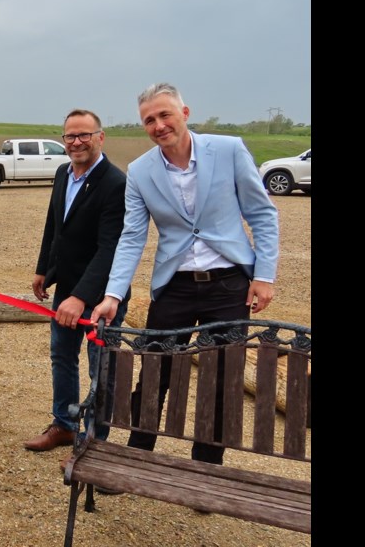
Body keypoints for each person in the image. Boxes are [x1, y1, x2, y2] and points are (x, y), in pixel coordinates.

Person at [93, 82, 279, 467]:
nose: (159, 125)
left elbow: (261, 214)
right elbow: (131, 237)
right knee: (155, 370)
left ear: (185, 113)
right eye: (149, 120)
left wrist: (264, 275)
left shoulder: (228, 150)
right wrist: (113, 294)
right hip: (173, 286)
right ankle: (140, 455)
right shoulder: (141, 171)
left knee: (221, 380)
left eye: (165, 115)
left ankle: (206, 466)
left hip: (229, 285)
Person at [23, 110, 129, 469]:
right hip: (65, 288)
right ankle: (64, 425)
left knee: (101, 369)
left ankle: (94, 440)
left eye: (84, 135)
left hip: (100, 298)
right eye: (70, 136)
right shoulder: (62, 173)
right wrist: (43, 270)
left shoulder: (115, 183)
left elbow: (109, 249)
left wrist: (80, 297)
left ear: (101, 137)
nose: (76, 142)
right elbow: (55, 227)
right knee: (62, 358)